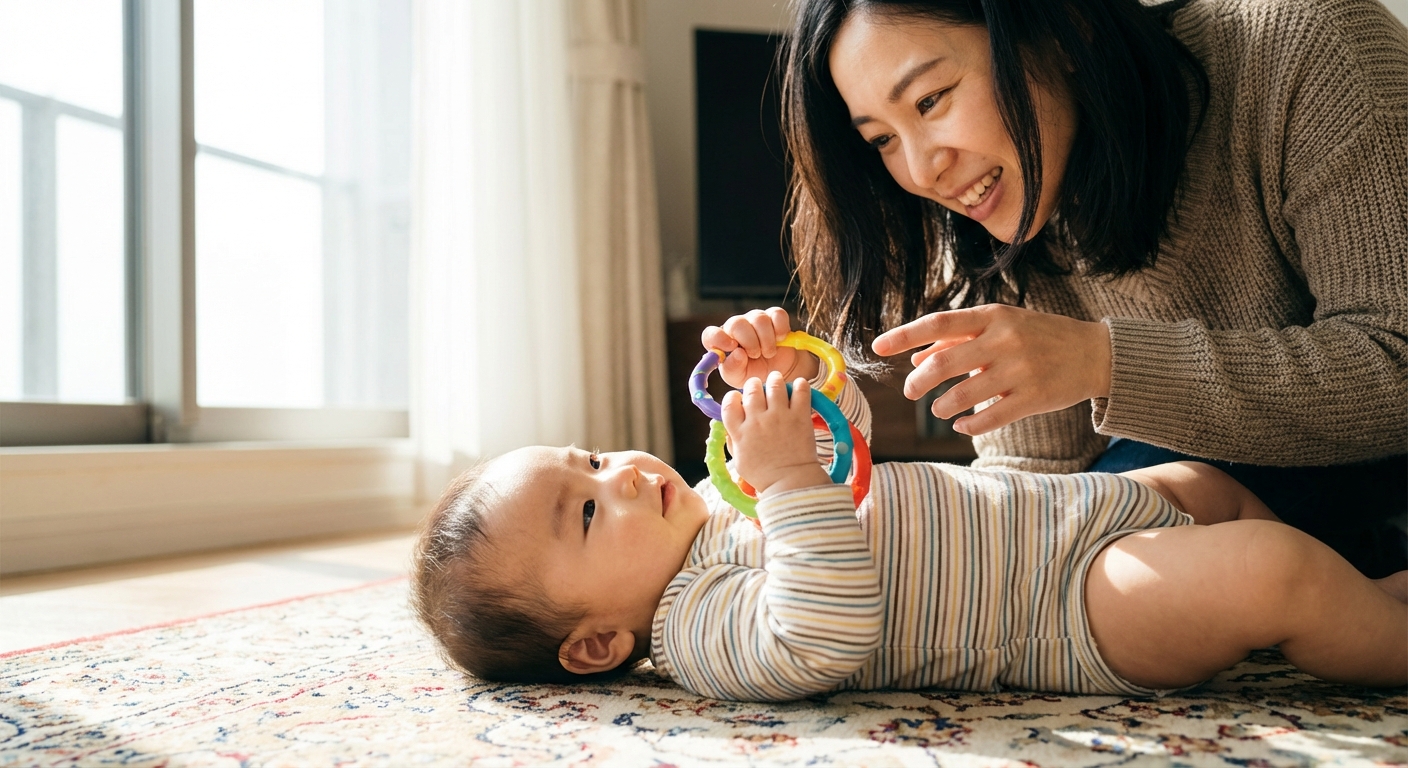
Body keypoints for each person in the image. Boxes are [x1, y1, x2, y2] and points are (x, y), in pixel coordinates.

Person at [411, 309, 1406, 702]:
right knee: (1266, 573)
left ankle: (1362, 606)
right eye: (587, 512)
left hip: (1070, 510)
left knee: (1203, 484)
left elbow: (843, 455)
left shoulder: (718, 494)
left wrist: (794, 385)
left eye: (591, 460)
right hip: (1073, 607)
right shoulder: (697, 628)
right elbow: (821, 631)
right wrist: (786, 482)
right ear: (595, 644)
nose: (621, 475)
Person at [780, 0, 1408, 577]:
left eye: (930, 100)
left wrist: (1100, 362)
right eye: (882, 139)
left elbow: (1396, 360)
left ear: (1063, 31)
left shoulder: (1310, 47)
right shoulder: (985, 213)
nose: (923, 170)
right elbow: (1035, 477)